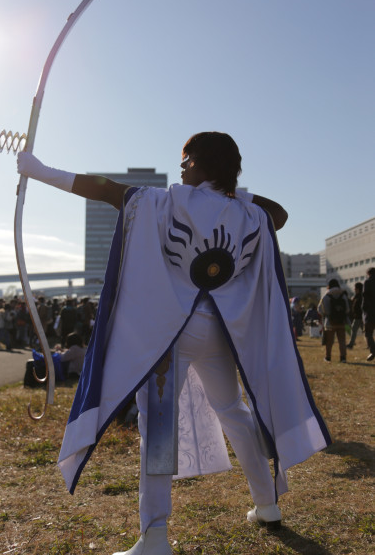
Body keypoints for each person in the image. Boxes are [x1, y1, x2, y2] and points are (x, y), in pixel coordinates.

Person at [18, 132, 331, 555]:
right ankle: (267, 503)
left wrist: (38, 171)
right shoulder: (248, 213)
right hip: (220, 332)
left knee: (159, 427)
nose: (181, 168)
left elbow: (105, 190)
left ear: (201, 163)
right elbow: (281, 214)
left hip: (170, 332)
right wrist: (232, 190)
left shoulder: (166, 202)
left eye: (186, 161)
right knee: (234, 411)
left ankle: (155, 535)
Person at [318, 279, 349, 363]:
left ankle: (328, 357)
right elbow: (347, 309)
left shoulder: (326, 296)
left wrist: (326, 314)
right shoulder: (343, 295)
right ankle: (343, 357)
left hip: (330, 322)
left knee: (329, 341)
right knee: (342, 340)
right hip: (342, 321)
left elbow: (320, 309)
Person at [362, 267, 375, 361]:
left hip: (370, 312)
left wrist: (363, 309)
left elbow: (365, 296)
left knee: (368, 333)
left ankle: (373, 351)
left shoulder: (367, 282)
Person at [346, 283, 363, 349]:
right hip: (359, 316)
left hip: (359, 316)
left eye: (355, 288)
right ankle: (370, 344)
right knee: (364, 331)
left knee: (354, 329)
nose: (354, 289)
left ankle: (351, 344)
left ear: (358, 289)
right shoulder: (358, 296)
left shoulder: (360, 297)